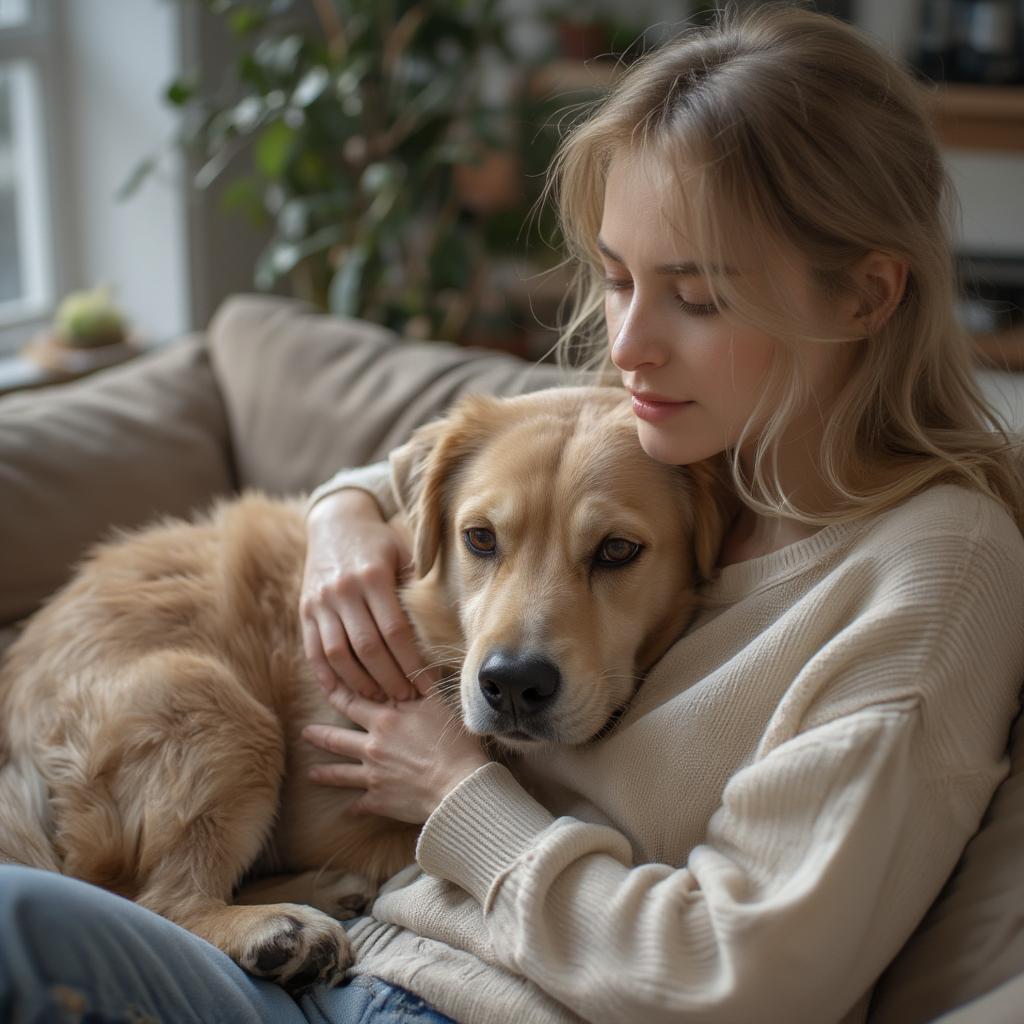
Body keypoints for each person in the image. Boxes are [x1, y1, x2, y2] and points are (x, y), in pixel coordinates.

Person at [2, 3, 1023, 1023]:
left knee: (16, 928)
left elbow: (738, 977)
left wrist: (456, 792)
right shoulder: (677, 431)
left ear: (863, 297)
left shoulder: (930, 573)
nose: (626, 346)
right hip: (373, 943)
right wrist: (342, 512)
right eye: (617, 279)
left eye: (696, 296)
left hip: (459, 1001)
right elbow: (441, 468)